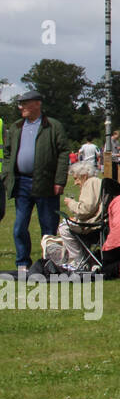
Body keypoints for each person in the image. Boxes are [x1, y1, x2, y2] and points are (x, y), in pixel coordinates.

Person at [3, 90, 70, 270]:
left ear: (37, 104)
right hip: (21, 182)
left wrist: (60, 180)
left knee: (48, 227)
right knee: (19, 226)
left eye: (25, 103)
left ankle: (49, 263)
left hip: (46, 182)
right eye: (20, 104)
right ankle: (22, 262)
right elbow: (8, 153)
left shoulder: (53, 126)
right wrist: (7, 175)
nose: (21, 107)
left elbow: (64, 152)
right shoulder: (17, 127)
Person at [54, 160, 104, 269]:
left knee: (64, 228)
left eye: (76, 178)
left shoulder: (90, 183)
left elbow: (85, 209)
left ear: (84, 176)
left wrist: (71, 203)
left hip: (95, 226)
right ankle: (89, 261)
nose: (75, 183)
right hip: (101, 223)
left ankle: (80, 261)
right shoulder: (97, 182)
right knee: (69, 225)